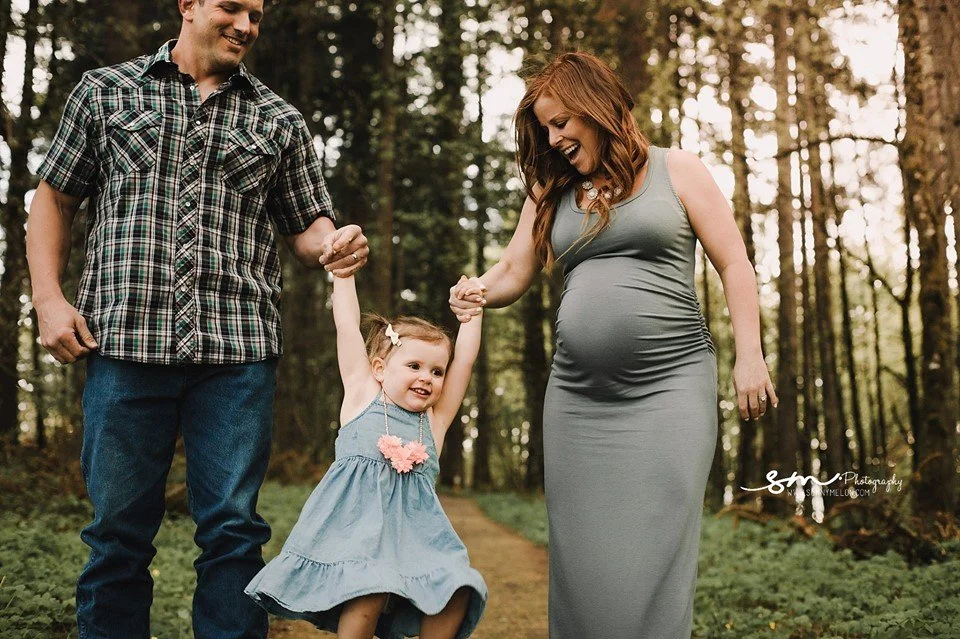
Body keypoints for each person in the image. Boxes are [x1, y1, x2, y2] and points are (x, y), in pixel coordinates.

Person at [25, 0, 369, 636]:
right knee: (116, 537)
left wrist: (333, 242)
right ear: (188, 6)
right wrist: (48, 298)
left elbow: (306, 224)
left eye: (257, 15)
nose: (245, 25)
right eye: (231, 8)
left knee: (234, 534)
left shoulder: (278, 119)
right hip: (123, 343)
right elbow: (55, 198)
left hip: (237, 351)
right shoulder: (106, 93)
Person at [449, 51, 779, 638]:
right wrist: (475, 290)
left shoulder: (678, 169)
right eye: (544, 128)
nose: (552, 140)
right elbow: (512, 272)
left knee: (657, 548)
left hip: (670, 388)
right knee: (582, 560)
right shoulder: (550, 193)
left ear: (596, 107)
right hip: (578, 400)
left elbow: (734, 264)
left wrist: (749, 356)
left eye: (561, 123)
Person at [244, 274, 488, 639]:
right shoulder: (362, 397)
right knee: (368, 592)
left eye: (437, 371)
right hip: (355, 534)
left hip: (417, 539)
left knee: (456, 590)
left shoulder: (433, 422)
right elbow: (346, 325)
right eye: (414, 366)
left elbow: (465, 363)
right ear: (379, 368)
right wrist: (343, 278)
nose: (428, 378)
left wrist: (473, 314)